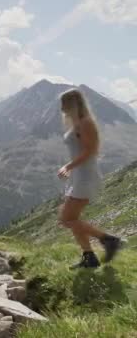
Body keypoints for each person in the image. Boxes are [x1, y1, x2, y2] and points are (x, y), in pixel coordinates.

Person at [57, 89, 122, 269]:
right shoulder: (77, 123)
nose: (61, 108)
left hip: (86, 176)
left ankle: (109, 240)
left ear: (73, 104)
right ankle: (90, 258)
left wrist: (67, 166)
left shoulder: (86, 123)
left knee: (67, 219)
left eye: (64, 103)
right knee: (70, 218)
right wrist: (70, 169)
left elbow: (90, 151)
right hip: (79, 176)